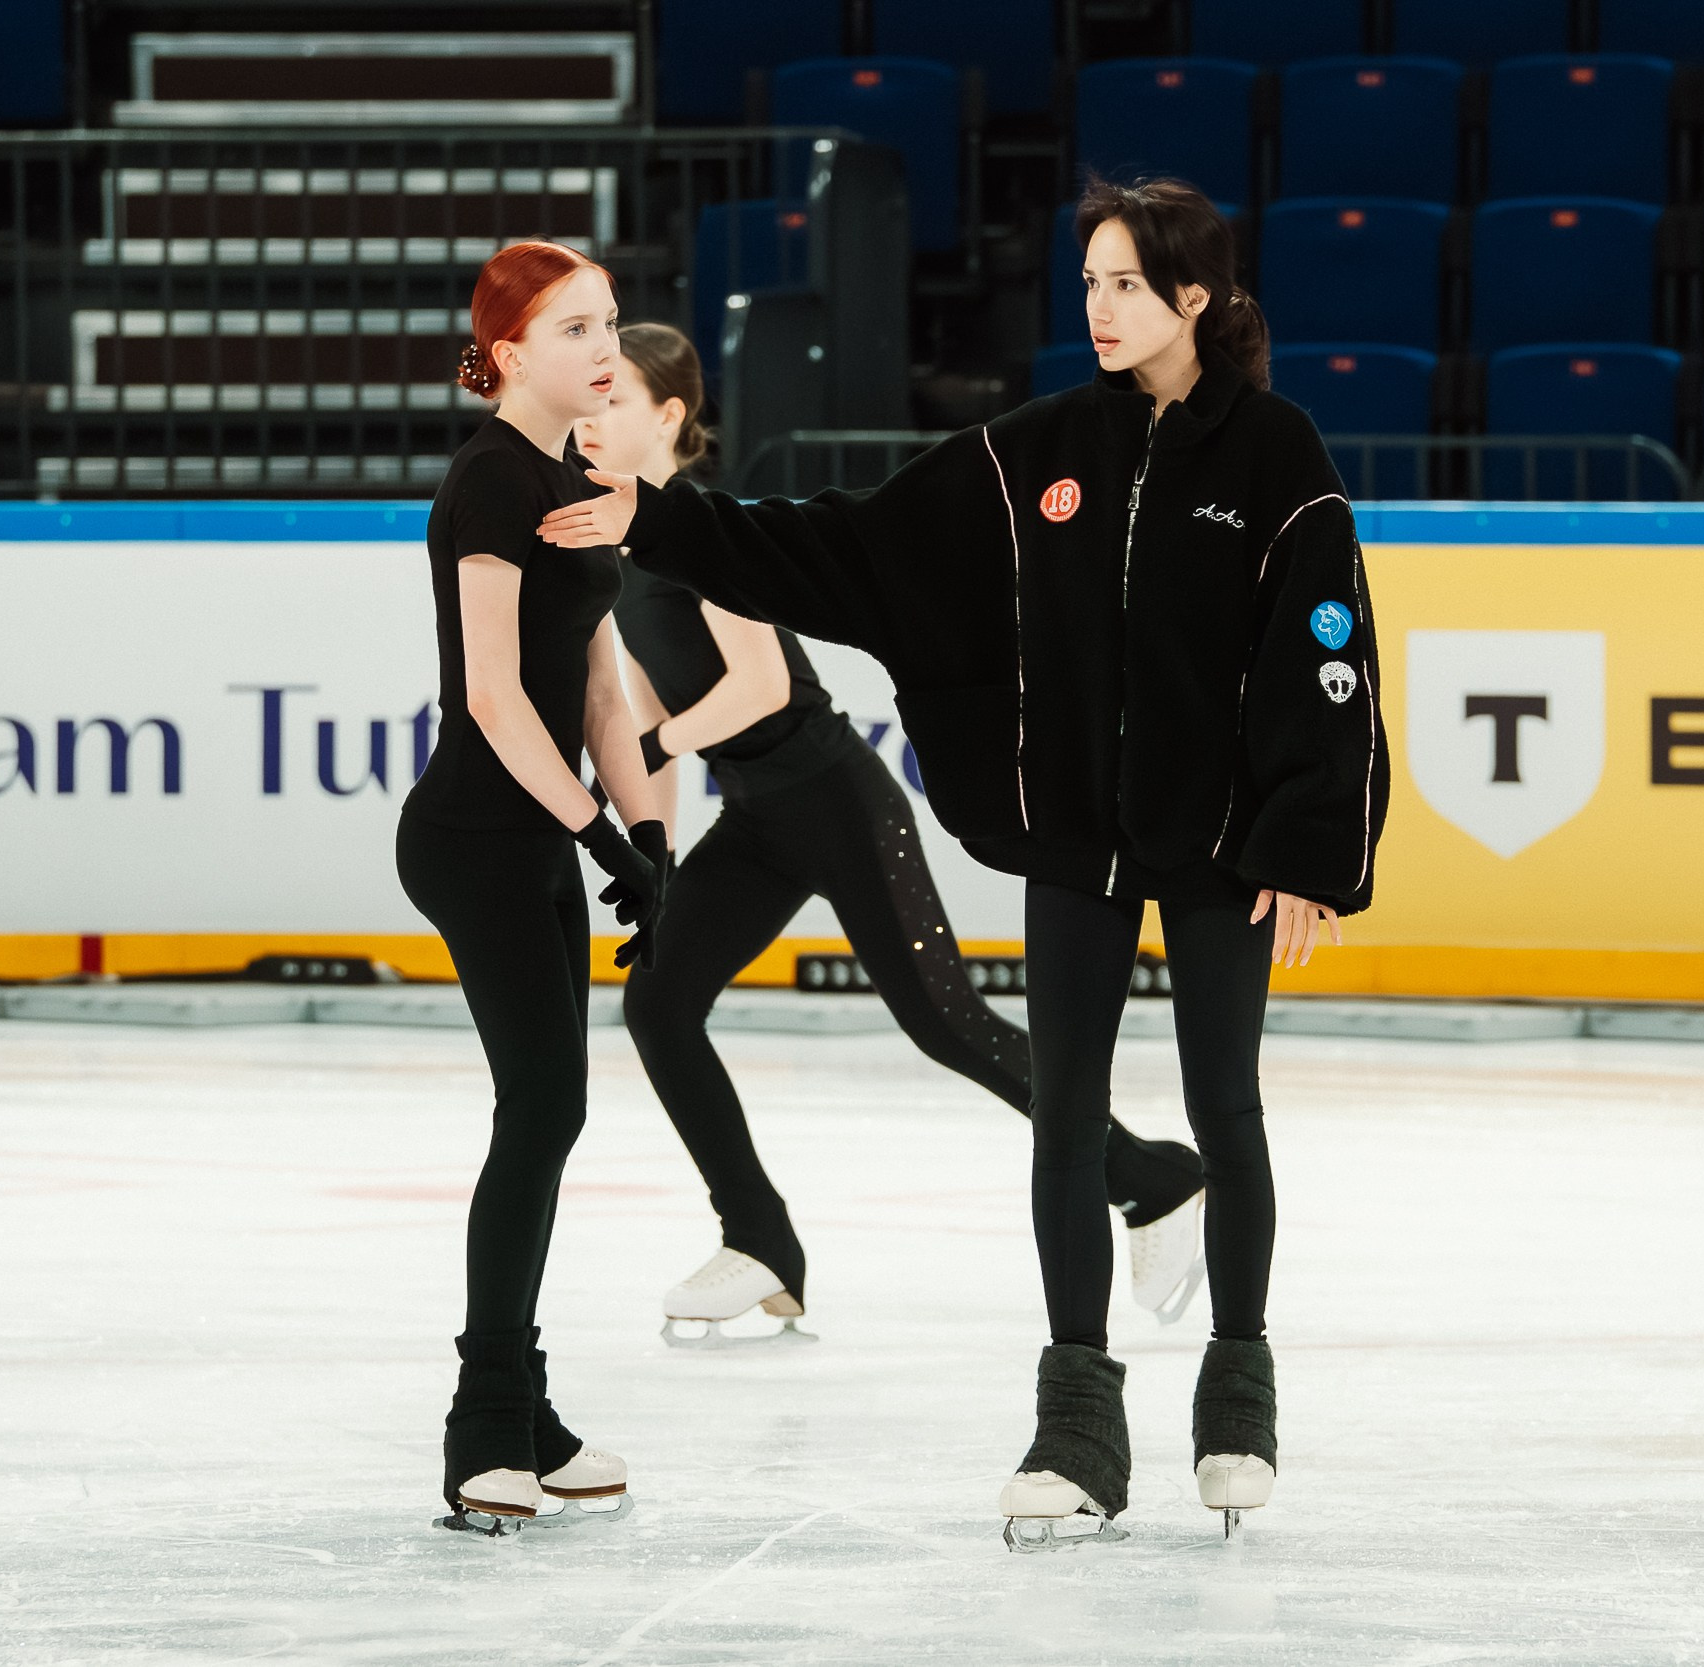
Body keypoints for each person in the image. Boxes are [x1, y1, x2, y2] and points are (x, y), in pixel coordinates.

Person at [540, 178, 1390, 1547]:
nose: (1098, 308)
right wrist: (661, 517)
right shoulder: (1036, 451)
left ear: (1193, 299)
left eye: (1124, 283)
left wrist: (1311, 837)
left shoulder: (1277, 455)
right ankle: (1076, 1420)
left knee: (1226, 1102)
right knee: (1065, 1107)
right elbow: (851, 545)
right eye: (1090, 281)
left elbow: (1331, 651)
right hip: (1081, 838)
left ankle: (1237, 1391)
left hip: (1225, 840)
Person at [571, 322, 1211, 1347]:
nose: (590, 416)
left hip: (834, 801)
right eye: (587, 397)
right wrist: (654, 855)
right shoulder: (615, 545)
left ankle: (1155, 1177)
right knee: (657, 1001)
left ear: (669, 417)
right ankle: (761, 1239)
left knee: (946, 1020)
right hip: (758, 815)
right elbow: (655, 713)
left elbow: (760, 684)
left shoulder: (703, 526)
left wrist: (652, 734)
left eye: (612, 399)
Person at [396, 240, 672, 1535]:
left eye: (609, 321)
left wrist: (651, 831)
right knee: (541, 1106)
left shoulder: (578, 472)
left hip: (537, 832)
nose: (602, 345)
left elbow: (601, 684)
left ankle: (525, 1409)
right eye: (573, 326)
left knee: (551, 1113)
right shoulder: (487, 483)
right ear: (507, 351)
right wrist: (595, 836)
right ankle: (482, 1426)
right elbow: (496, 695)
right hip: (475, 831)